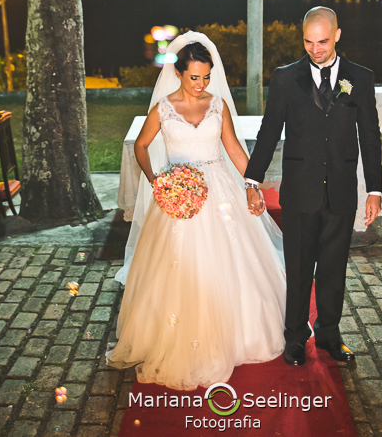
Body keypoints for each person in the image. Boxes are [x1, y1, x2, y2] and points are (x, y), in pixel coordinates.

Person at [107, 33, 286, 390]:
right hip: (177, 193)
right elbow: (141, 147)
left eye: (206, 77)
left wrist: (252, 186)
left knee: (230, 262)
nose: (201, 84)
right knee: (177, 268)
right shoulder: (163, 109)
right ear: (178, 73)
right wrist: (158, 181)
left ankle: (238, 334)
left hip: (219, 190)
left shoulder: (217, 105)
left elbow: (233, 149)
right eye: (194, 77)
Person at [245, 7, 382, 366]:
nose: (315, 49)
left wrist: (374, 189)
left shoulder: (360, 78)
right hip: (299, 191)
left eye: (322, 41)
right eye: (308, 41)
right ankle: (295, 335)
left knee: (334, 269)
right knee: (299, 267)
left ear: (337, 35)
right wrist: (251, 180)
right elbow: (269, 132)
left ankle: (329, 335)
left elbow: (369, 136)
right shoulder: (286, 78)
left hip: (340, 190)